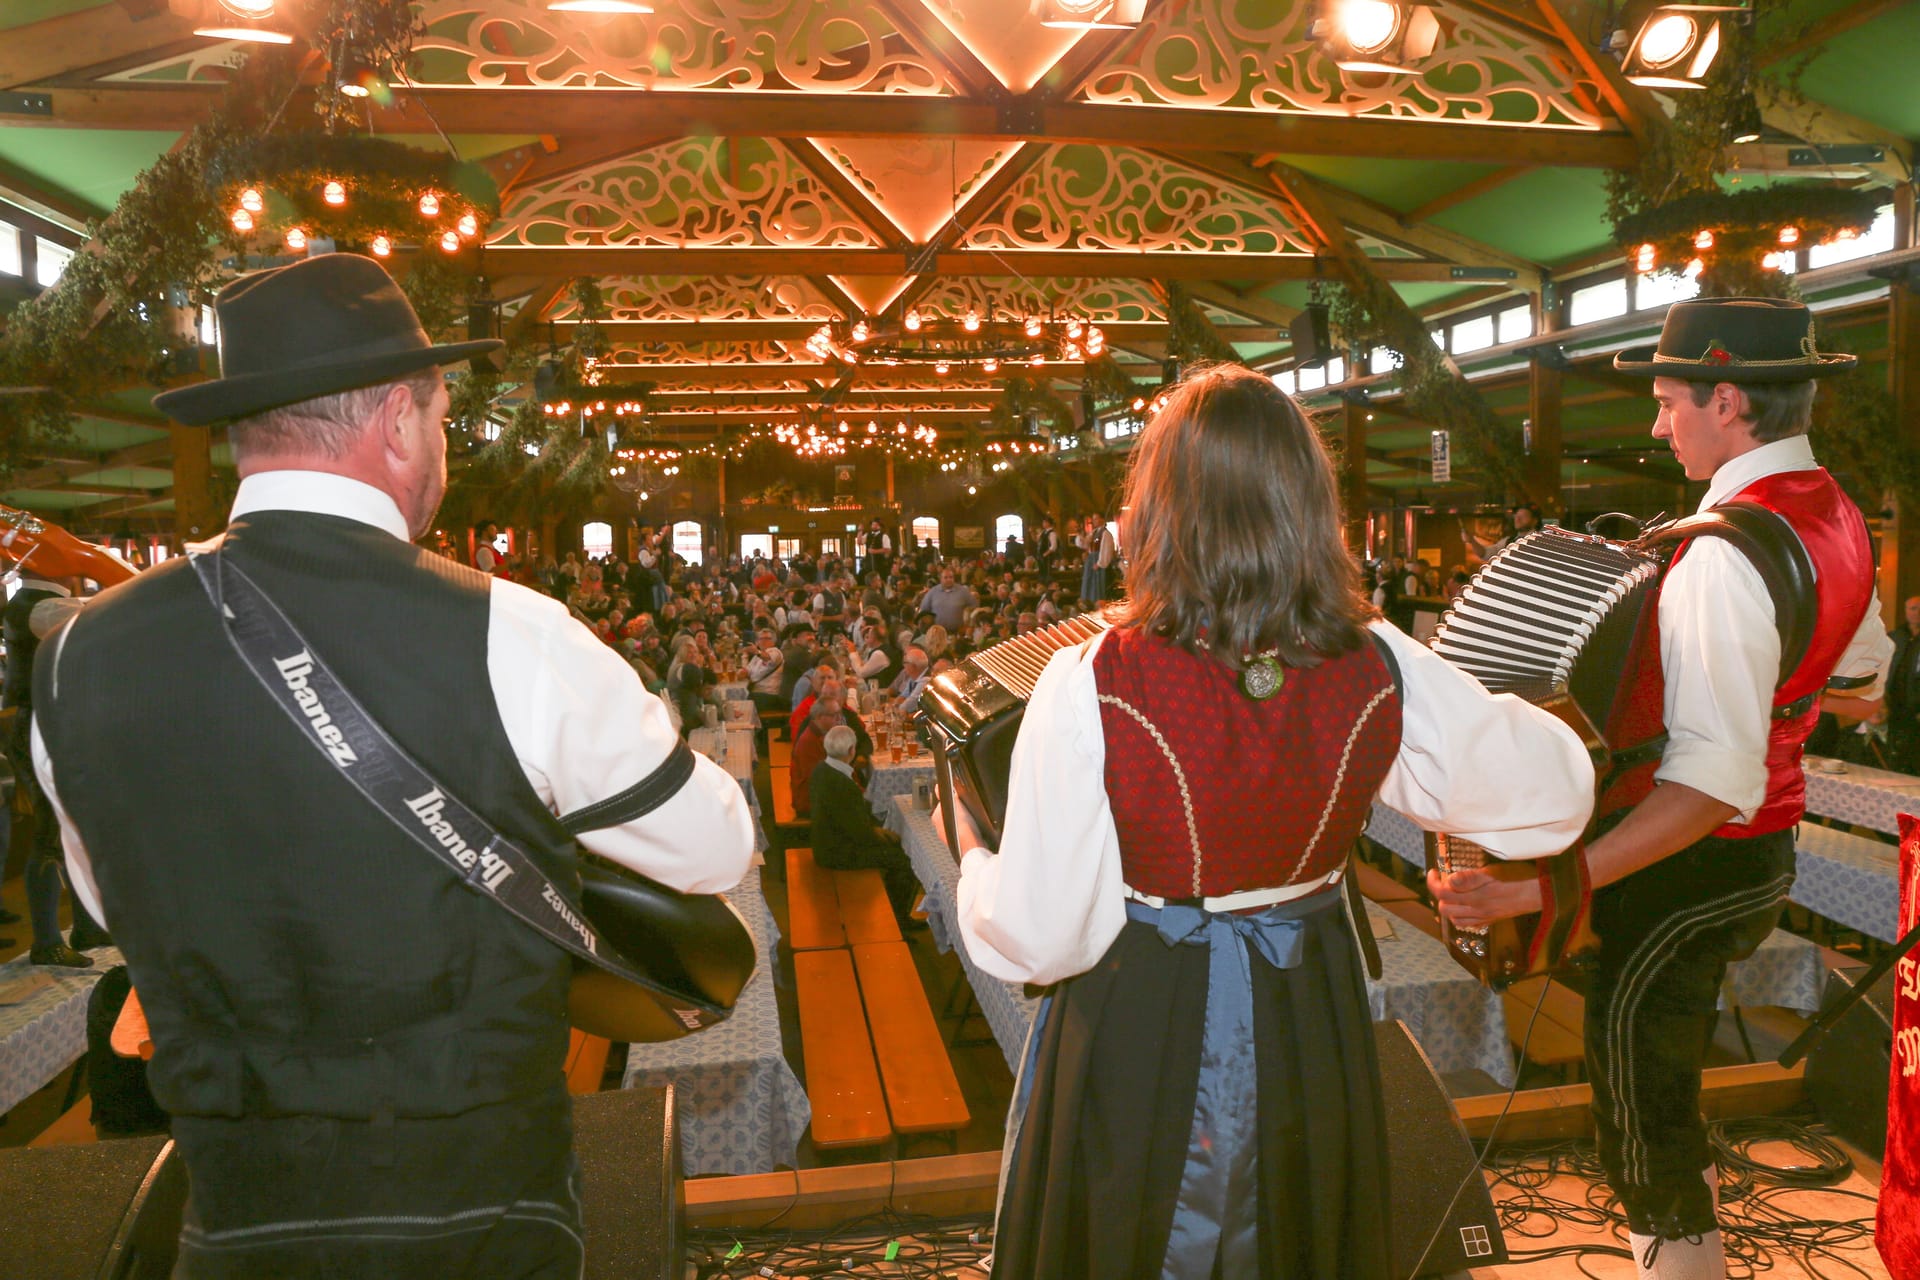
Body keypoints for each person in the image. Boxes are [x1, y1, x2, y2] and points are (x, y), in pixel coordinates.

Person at [32, 254, 756, 1277]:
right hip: (485, 1207)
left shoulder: (75, 655)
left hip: (238, 1212)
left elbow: (116, 906)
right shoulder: (512, 630)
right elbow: (714, 843)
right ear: (398, 420)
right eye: (444, 418)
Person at [948, 365, 1595, 1279]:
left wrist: (974, 863)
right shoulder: (1381, 661)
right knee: (1300, 1231)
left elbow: (1042, 937)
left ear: (1161, 509)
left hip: (1146, 1010)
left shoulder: (1091, 677)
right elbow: (1553, 797)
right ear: (1305, 501)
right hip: (1306, 1004)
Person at [1434, 298, 1893, 1280]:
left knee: (1643, 1101)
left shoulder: (1721, 556)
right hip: (1767, 845)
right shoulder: (1838, 512)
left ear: (1727, 400)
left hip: (1698, 864)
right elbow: (1852, 672)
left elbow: (1706, 789)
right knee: (1648, 1081)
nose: (1657, 423)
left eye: (1668, 400)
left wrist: (1542, 886)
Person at [3, 574, 105, 965]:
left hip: (48, 722)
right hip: (35, 725)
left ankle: (84, 926)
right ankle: (46, 941)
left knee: (71, 827)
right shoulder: (36, 605)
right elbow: (85, 618)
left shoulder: (38, 602)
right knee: (49, 831)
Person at [810, 725, 922, 929]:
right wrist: (882, 834)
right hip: (838, 853)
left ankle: (893, 912)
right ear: (852, 751)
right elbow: (860, 835)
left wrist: (877, 831)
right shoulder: (843, 784)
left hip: (825, 844)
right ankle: (898, 920)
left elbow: (851, 823)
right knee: (905, 860)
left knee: (896, 848)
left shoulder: (821, 769)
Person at [1889, 595, 1920, 774]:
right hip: (1892, 707)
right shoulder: (1895, 637)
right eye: (1913, 608)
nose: (1917, 613)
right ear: (1906, 611)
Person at [917, 567, 976, 632]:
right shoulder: (932, 592)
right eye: (946, 577)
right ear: (941, 579)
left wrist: (968, 621)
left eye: (951, 577)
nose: (949, 579)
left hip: (958, 632)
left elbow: (974, 605)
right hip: (937, 632)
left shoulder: (963, 591)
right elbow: (924, 610)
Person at [1077, 512, 1116, 605]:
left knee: (1097, 586)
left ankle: (1097, 604)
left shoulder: (1106, 533)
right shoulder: (1094, 533)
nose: (1094, 521)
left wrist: (1100, 563)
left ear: (1102, 519)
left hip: (1098, 561)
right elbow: (1085, 544)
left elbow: (1106, 550)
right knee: (1089, 584)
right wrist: (1080, 535)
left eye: (1096, 518)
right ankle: (1088, 604)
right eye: (1093, 519)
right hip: (1092, 559)